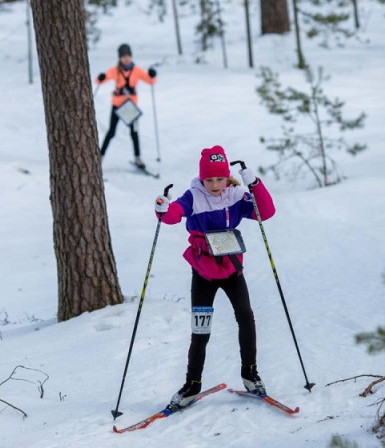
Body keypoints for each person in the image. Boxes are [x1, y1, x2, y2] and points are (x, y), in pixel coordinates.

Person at [153, 145, 276, 408]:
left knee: (246, 316)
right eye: (209, 179)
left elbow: (265, 212)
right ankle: (192, 385)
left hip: (232, 269)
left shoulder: (236, 195)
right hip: (203, 272)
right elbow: (174, 215)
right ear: (202, 178)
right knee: (200, 330)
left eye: (220, 178)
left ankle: (250, 373)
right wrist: (163, 208)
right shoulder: (194, 196)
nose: (215, 184)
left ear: (227, 176)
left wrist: (254, 184)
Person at [95, 43, 157, 169]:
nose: (126, 58)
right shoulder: (115, 71)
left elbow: (150, 81)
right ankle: (99, 157)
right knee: (111, 132)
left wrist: (152, 74)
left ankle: (137, 158)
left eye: (128, 56)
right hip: (117, 105)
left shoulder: (137, 70)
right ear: (120, 58)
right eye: (123, 56)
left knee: (134, 132)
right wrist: (100, 77)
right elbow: (100, 79)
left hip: (130, 107)